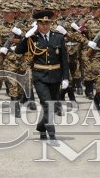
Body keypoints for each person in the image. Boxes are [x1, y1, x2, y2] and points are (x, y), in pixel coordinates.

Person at [15, 10, 69, 142]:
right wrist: (26, 37)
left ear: (51, 24)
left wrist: (66, 77)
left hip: (55, 75)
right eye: (41, 23)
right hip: (39, 76)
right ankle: (51, 131)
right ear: (37, 24)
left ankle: (41, 128)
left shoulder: (58, 37)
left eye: (47, 23)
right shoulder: (33, 38)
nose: (44, 26)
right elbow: (18, 50)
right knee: (47, 103)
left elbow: (64, 60)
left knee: (51, 103)